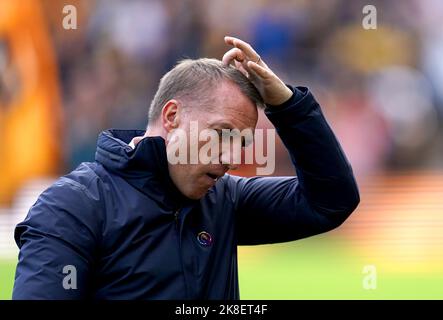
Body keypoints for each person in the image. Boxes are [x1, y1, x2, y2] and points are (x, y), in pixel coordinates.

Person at [12, 36, 359, 299]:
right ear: (172, 116)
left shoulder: (226, 201)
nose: (232, 157)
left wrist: (286, 103)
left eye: (241, 142)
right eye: (222, 134)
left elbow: (331, 200)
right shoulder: (73, 206)